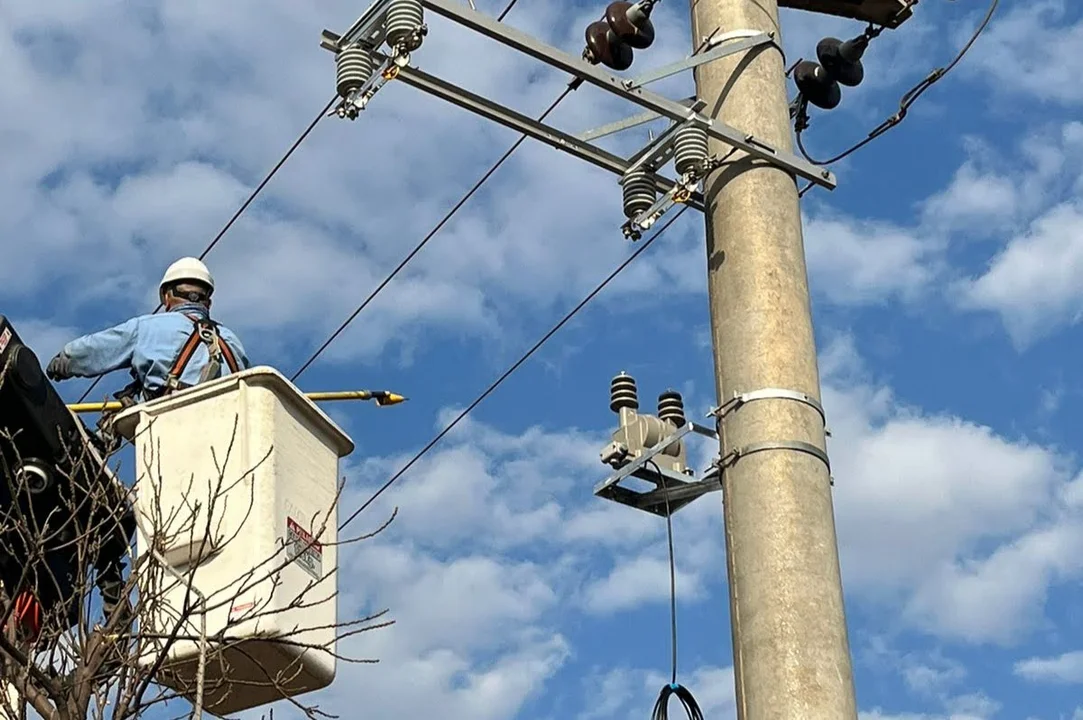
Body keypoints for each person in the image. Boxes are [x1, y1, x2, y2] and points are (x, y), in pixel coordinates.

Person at [46, 257, 250, 403]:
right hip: (229, 438)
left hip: (172, 431)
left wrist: (63, 361)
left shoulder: (148, 328)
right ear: (209, 302)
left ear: (166, 297)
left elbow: (96, 350)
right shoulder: (232, 341)